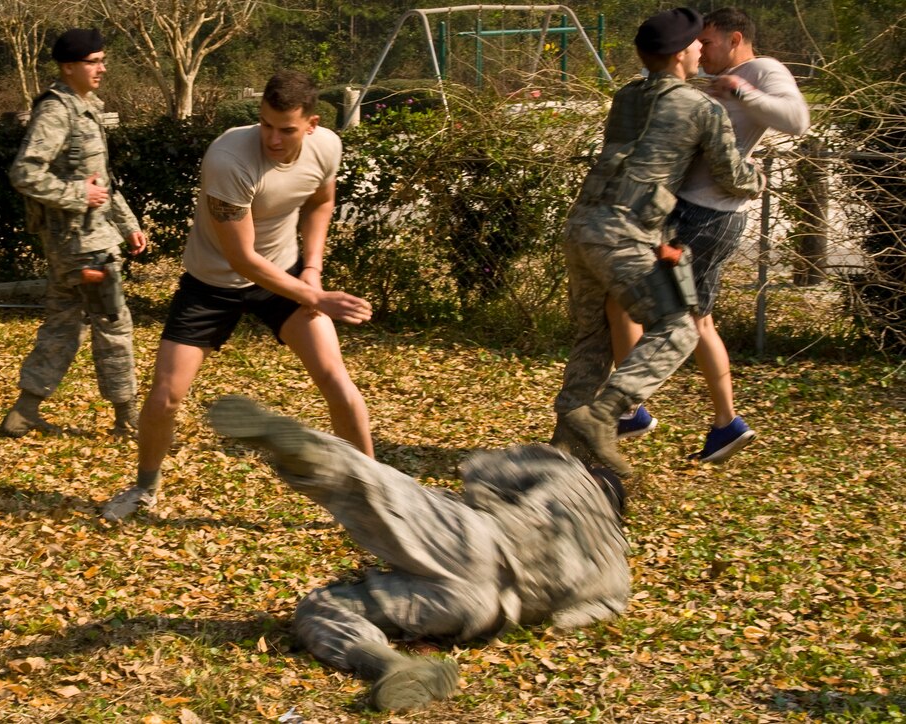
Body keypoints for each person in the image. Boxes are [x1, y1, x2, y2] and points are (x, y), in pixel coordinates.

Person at [207, 395, 630, 712]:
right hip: (482, 608)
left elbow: (484, 475)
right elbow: (574, 618)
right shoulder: (618, 572)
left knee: (374, 489)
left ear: (596, 477)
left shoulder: (570, 473)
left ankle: (312, 457)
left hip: (478, 539)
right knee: (325, 605)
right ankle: (388, 666)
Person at [101, 70, 373, 522]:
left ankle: (374, 500)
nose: (272, 138)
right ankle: (144, 489)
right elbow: (243, 260)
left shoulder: (326, 147)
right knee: (166, 396)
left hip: (286, 276)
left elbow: (321, 202)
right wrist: (315, 297)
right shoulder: (229, 158)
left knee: (338, 383)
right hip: (212, 285)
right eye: (265, 124)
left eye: (286, 129)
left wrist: (312, 269)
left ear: (312, 124)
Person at [550, 8, 765, 477]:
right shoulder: (701, 108)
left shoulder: (626, 97)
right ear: (681, 52)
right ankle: (604, 416)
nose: (700, 51)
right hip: (628, 233)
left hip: (582, 224)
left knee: (593, 338)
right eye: (695, 45)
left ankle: (564, 448)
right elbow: (733, 176)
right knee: (679, 328)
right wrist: (758, 177)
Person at [606, 7, 810, 463]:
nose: (701, 48)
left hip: (707, 216)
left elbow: (797, 120)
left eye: (709, 42)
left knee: (652, 308)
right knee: (682, 316)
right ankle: (715, 422)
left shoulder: (761, 70)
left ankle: (640, 409)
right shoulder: (705, 75)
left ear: (736, 38)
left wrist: (744, 91)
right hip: (689, 211)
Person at [2, 28, 148, 438]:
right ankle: (127, 416)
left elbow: (99, 180)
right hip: (82, 247)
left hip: (84, 240)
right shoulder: (57, 111)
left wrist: (127, 222)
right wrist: (75, 194)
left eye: (103, 59)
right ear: (69, 67)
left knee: (63, 325)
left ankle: (24, 412)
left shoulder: (84, 107)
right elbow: (25, 172)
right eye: (93, 61)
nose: (102, 68)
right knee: (114, 324)